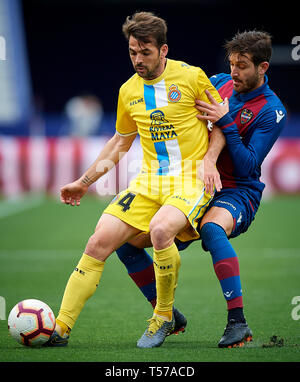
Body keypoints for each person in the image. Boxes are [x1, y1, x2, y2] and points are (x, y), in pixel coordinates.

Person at [45, 11, 223, 348]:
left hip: (189, 180)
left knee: (159, 230)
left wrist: (210, 161)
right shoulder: (128, 91)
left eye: (145, 52)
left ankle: (164, 316)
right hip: (149, 182)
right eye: (132, 52)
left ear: (163, 50)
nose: (137, 60)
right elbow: (120, 142)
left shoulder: (192, 77)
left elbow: (222, 124)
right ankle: (60, 327)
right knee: (99, 241)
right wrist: (84, 181)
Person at [116, 30, 287, 348]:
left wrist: (227, 123)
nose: (234, 72)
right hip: (192, 185)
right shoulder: (217, 81)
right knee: (125, 243)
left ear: (263, 68)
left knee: (211, 228)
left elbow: (248, 165)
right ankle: (166, 315)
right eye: (232, 63)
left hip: (237, 191)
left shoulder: (271, 111)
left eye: (244, 65)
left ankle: (238, 323)